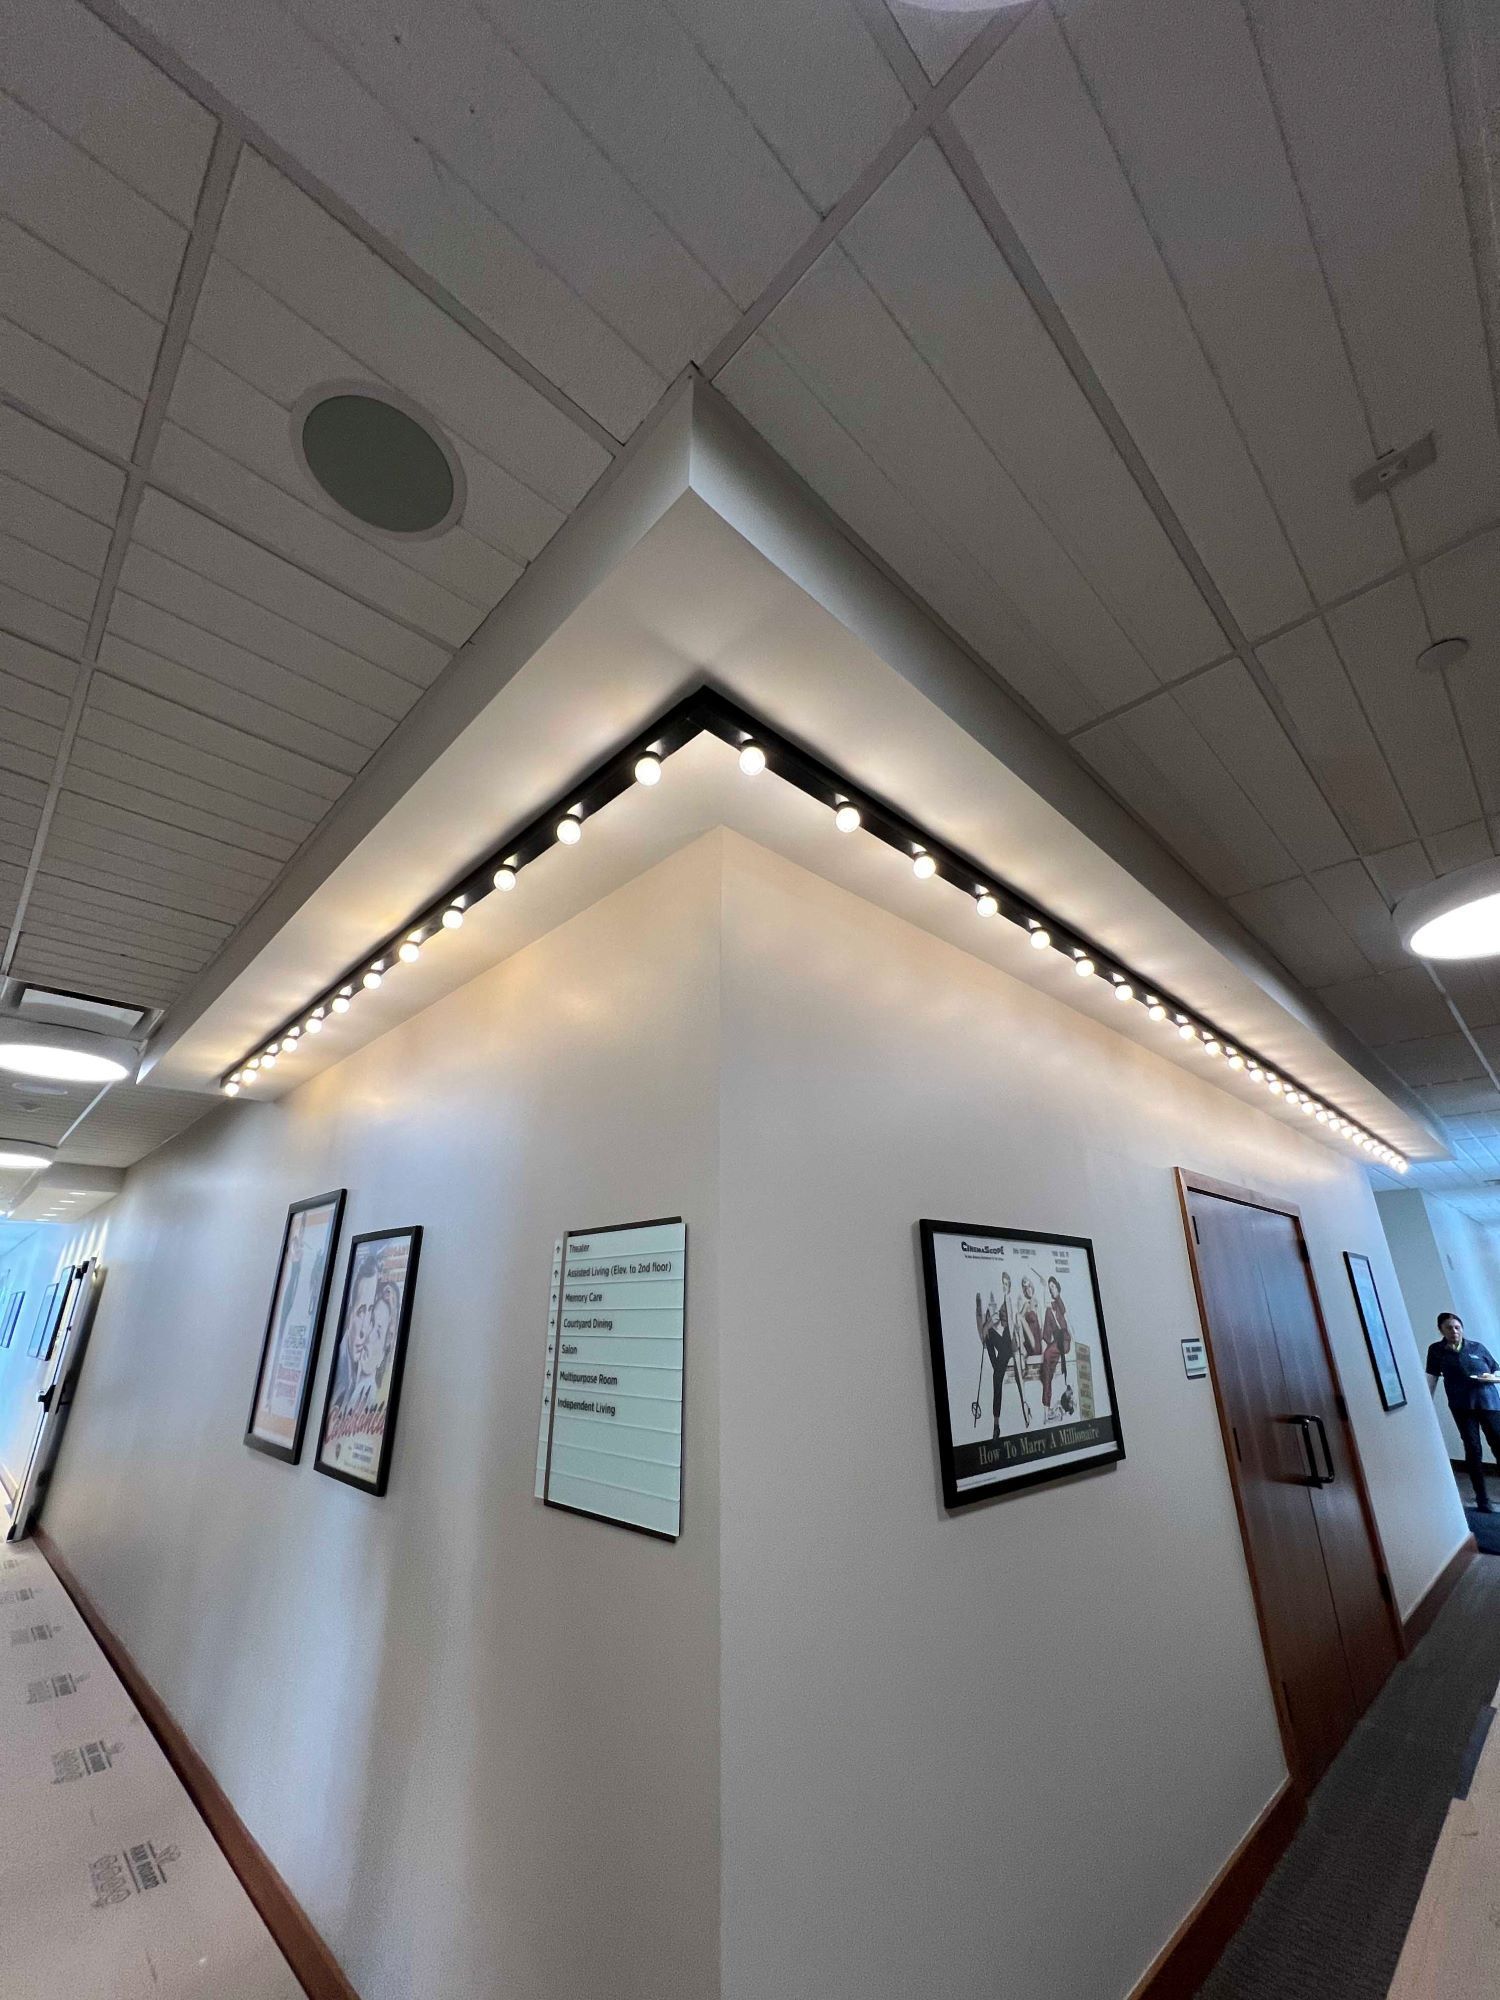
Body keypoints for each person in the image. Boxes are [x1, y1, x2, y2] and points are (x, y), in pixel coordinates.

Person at [1426, 1311, 1500, 1514]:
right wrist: (1427, 1405)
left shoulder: (1477, 1348)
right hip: (1461, 1406)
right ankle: (1482, 1499)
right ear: (1441, 1329)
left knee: (1498, 1444)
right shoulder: (1436, 1351)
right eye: (1449, 1328)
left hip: (1489, 1404)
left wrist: (1491, 1377)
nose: (1454, 1331)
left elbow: (1496, 1370)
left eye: (1457, 1327)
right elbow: (1432, 1377)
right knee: (1473, 1450)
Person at [1041, 1276, 1072, 1414]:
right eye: (1049, 1288)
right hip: (1056, 1344)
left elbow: (1063, 1308)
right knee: (1047, 1367)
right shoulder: (1049, 1311)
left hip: (1064, 1340)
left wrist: (1057, 1296)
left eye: (1053, 1287)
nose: (1051, 1290)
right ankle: (1047, 1406)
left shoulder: (1061, 1305)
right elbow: (1047, 1333)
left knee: (1048, 1354)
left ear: (1057, 1288)